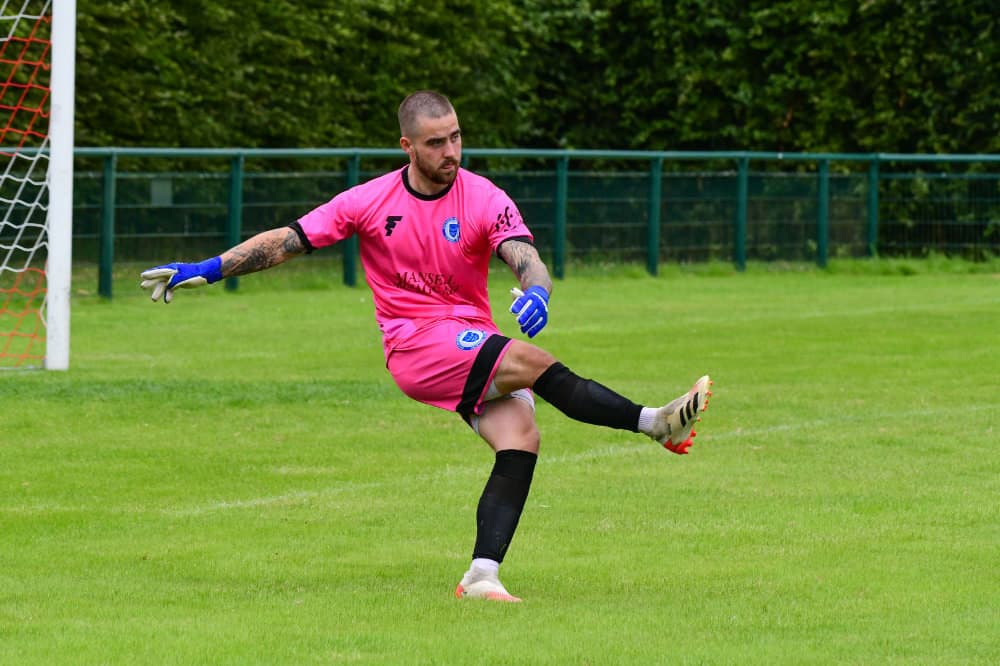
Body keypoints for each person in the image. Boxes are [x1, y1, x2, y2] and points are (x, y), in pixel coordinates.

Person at [140, 90, 712, 603]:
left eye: (456, 137)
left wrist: (538, 290)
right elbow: (289, 241)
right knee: (531, 361)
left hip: (469, 338)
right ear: (407, 146)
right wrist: (207, 268)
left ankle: (482, 576)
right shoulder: (369, 199)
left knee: (520, 438)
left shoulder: (483, 196)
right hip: (415, 346)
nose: (451, 151)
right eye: (436, 143)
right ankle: (654, 423)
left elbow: (525, 256)